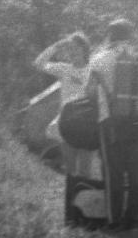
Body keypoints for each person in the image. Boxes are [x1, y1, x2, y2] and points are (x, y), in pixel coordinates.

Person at [85, 19, 138, 230]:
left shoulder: (99, 58)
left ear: (110, 34)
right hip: (137, 119)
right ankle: (133, 217)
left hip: (110, 121)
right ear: (131, 34)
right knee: (136, 170)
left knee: (112, 171)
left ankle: (114, 219)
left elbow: (89, 92)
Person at [32, 32, 93, 177]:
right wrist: (56, 46)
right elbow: (38, 64)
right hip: (68, 123)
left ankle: (84, 197)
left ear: (84, 49)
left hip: (87, 124)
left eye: (76, 48)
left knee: (85, 171)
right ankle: (71, 198)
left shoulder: (94, 69)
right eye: (70, 49)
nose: (72, 52)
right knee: (70, 170)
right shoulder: (64, 68)